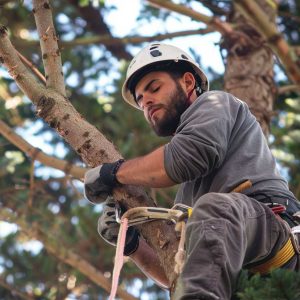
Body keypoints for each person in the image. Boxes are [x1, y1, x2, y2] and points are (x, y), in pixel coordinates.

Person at [84, 43, 300, 299]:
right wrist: (133, 245)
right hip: (250, 287)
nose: (147, 102)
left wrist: (114, 173)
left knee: (215, 208)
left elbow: (188, 156)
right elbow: (176, 273)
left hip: (278, 242)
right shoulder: (186, 199)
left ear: (187, 82)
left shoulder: (217, 103)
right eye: (141, 100)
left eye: (154, 88)